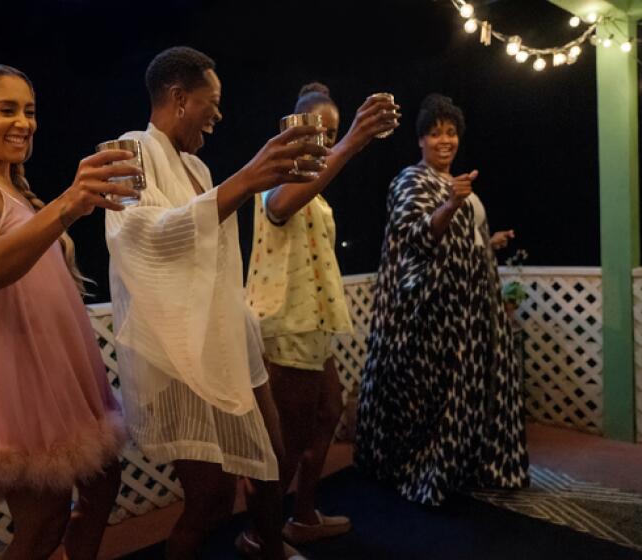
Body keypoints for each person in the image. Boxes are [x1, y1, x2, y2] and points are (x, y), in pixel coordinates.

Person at [105, 47, 328, 560]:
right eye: (213, 103)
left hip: (228, 341)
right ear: (180, 99)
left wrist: (245, 329)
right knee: (209, 500)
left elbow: (217, 262)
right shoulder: (129, 150)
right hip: (178, 355)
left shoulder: (199, 170)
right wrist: (250, 176)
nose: (219, 115)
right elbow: (146, 237)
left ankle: (268, 546)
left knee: (269, 458)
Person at [0, 63, 135, 559]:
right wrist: (70, 203)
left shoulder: (16, 189)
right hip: (17, 367)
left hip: (63, 363)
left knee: (103, 481)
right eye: (7, 110)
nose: (24, 122)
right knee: (43, 522)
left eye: (30, 111)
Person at [355, 93, 529, 506]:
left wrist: (489, 241)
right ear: (420, 141)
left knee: (469, 390)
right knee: (432, 395)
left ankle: (463, 466)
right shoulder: (410, 181)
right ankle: (423, 469)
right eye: (435, 134)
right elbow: (417, 237)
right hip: (433, 313)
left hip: (470, 307)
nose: (444, 140)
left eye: (451, 133)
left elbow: (462, 239)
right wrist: (452, 202)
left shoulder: (457, 182)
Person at [246, 83, 399, 544]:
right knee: (285, 444)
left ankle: (303, 514)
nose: (328, 140)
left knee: (329, 409)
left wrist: (346, 144)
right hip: (286, 325)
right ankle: (261, 536)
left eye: (334, 132)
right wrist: (354, 140)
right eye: (321, 130)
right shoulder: (275, 173)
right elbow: (279, 207)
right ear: (295, 128)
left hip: (313, 325)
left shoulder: (317, 184)